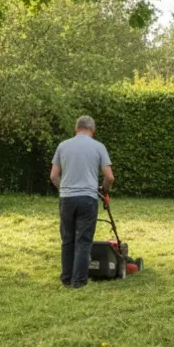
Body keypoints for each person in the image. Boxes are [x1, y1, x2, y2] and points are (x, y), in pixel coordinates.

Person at [50, 115, 114, 288]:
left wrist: (63, 189)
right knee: (83, 241)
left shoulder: (63, 146)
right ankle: (78, 281)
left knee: (67, 239)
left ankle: (66, 278)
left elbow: (54, 176)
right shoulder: (98, 147)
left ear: (76, 128)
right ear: (92, 130)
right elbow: (109, 177)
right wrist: (104, 188)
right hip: (87, 198)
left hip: (66, 199)